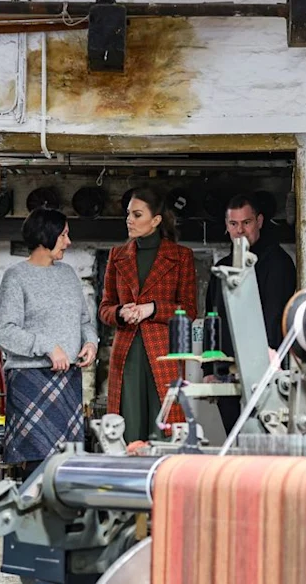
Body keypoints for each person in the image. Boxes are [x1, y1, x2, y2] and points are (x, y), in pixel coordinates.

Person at [0, 207, 98, 480]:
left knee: (67, 462)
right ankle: (32, 507)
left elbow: (84, 321)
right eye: (63, 235)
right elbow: (4, 331)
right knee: (36, 465)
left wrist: (90, 342)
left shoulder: (68, 274)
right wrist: (48, 347)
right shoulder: (16, 276)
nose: (68, 242)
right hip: (30, 381)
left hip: (68, 380)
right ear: (45, 236)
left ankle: (58, 509)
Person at [99, 186, 198, 442]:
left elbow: (189, 310)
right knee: (127, 429)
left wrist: (152, 308)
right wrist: (120, 312)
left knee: (165, 429)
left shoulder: (181, 256)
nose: (129, 220)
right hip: (127, 355)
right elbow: (105, 308)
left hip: (165, 353)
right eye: (128, 214)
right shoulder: (117, 255)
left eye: (137, 215)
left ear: (155, 220)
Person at [204, 194, 297, 433]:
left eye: (246, 222)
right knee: (235, 441)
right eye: (233, 224)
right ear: (226, 226)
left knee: (264, 439)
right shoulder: (221, 270)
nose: (240, 230)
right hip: (225, 373)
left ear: (259, 221)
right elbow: (212, 320)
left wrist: (269, 362)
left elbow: (276, 319)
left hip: (266, 372)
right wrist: (209, 370)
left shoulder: (278, 263)